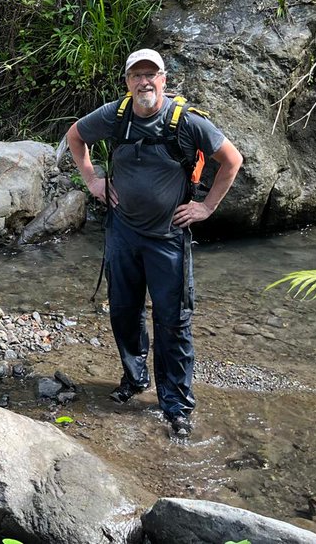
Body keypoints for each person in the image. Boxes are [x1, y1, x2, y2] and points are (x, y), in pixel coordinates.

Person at [65, 48, 242, 439]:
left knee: (173, 323)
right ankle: (135, 379)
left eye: (151, 75)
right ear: (127, 81)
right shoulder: (115, 115)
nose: (144, 82)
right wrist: (93, 181)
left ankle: (176, 405)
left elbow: (232, 160)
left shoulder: (187, 122)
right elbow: (75, 136)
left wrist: (206, 207)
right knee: (124, 313)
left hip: (168, 239)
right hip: (122, 233)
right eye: (136, 75)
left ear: (163, 79)